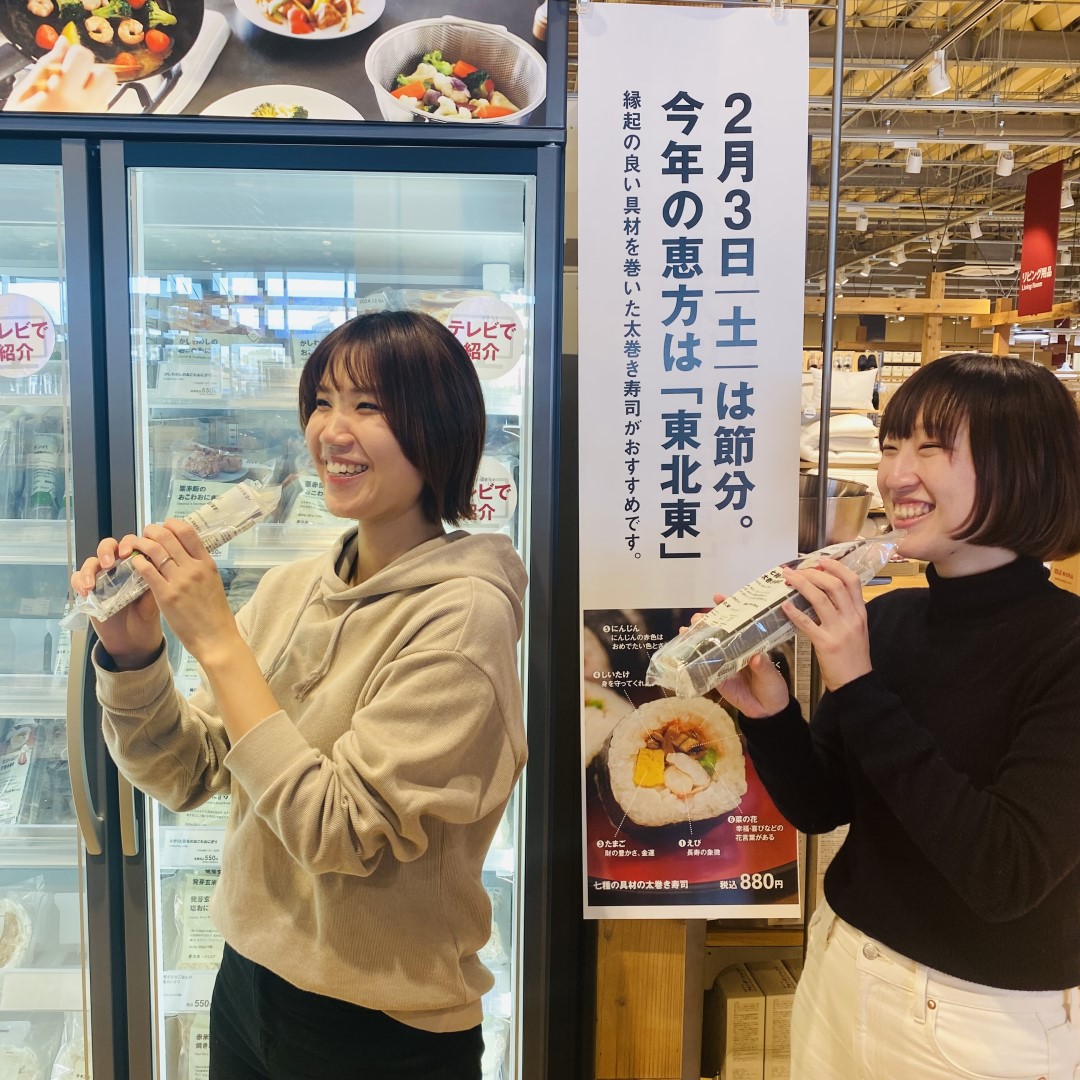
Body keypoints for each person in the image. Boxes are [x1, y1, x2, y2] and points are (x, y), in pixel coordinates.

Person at [71, 310, 528, 1080]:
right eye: (321, 401)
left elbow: (336, 832)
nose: (331, 431)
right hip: (248, 982)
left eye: (368, 406)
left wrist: (217, 641)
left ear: (438, 427)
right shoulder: (292, 587)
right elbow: (187, 773)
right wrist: (133, 652)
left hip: (379, 1026)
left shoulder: (464, 619)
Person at [713, 353, 1080, 1078]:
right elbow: (822, 807)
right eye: (890, 445)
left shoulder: (1064, 647)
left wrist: (857, 683)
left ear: (1023, 466)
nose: (894, 475)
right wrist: (771, 713)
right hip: (842, 961)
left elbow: (1006, 874)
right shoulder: (892, 617)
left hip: (981, 1017)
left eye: (931, 448)